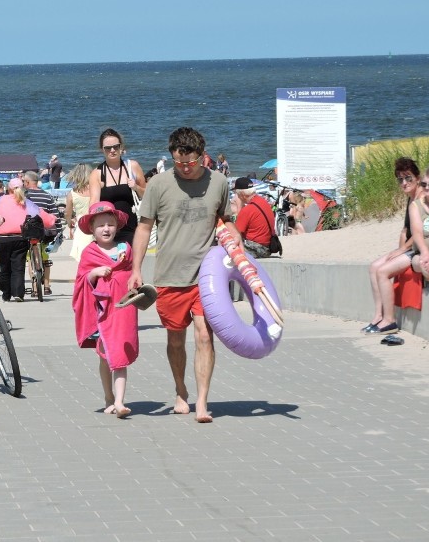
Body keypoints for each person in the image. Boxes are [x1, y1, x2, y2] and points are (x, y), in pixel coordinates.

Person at [128, 127, 237, 424]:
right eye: (180, 163)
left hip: (207, 276)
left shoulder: (218, 182)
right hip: (169, 277)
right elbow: (144, 227)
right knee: (175, 340)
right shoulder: (158, 184)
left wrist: (236, 240)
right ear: (173, 155)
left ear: (202, 156)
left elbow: (226, 221)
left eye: (191, 162)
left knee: (204, 334)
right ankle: (180, 390)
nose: (186, 168)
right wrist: (136, 269)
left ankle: (202, 401)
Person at [72, 202, 138, 418]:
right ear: (92, 228)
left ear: (117, 227)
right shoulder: (90, 252)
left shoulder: (124, 250)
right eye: (101, 225)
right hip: (101, 313)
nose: (106, 229)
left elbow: (130, 275)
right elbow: (82, 280)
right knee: (104, 356)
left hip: (121, 311)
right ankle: (109, 397)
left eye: (110, 224)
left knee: (119, 354)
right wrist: (95, 273)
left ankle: (120, 401)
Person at [361, 157, 425, 335]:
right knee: (374, 266)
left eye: (408, 178)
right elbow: (405, 230)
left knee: (383, 272)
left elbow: (423, 232)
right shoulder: (411, 198)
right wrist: (398, 250)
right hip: (409, 248)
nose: (404, 183)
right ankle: (378, 316)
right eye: (400, 179)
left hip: (421, 248)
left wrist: (402, 250)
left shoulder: (422, 200)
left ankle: (390, 320)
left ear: (417, 178)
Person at [0, 177, 55, 302]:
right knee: (18, 266)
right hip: (20, 237)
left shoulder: (0, 200)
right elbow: (39, 215)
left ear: (8, 189)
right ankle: (18, 293)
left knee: (4, 267)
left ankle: (6, 293)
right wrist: (52, 220)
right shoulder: (25, 201)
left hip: (1, 237)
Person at [89, 128, 146, 244]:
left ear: (121, 147)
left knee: (132, 261)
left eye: (116, 146)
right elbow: (94, 202)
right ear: (102, 150)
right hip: (107, 231)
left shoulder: (132, 167)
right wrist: (91, 226)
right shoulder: (97, 173)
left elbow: (147, 195)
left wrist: (136, 187)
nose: (113, 150)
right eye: (108, 148)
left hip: (131, 228)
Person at [23, 171, 62, 295]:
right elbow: (55, 214)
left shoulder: (24, 196)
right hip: (45, 232)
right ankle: (46, 285)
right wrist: (59, 230)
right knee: (45, 257)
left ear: (28, 182)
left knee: (30, 259)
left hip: (29, 231)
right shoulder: (47, 196)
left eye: (24, 182)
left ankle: (34, 288)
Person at [232, 177, 277, 259]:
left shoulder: (247, 210)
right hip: (268, 246)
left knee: (227, 247)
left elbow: (236, 232)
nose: (237, 196)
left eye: (237, 194)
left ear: (242, 194)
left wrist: (239, 207)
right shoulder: (263, 202)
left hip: (256, 248)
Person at [64, 163, 92, 261]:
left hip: (81, 224)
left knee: (82, 254)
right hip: (95, 221)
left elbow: (67, 213)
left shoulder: (72, 193)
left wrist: (69, 223)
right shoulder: (97, 190)